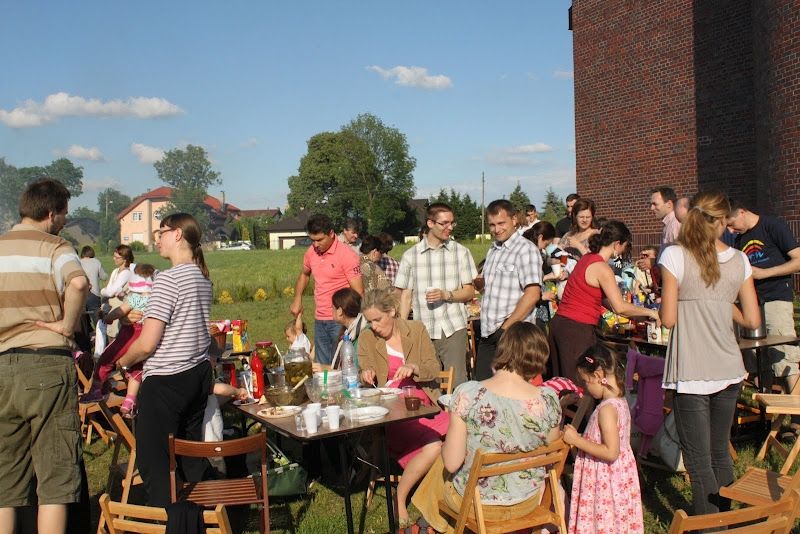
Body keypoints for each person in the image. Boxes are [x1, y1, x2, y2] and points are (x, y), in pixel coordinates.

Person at [659, 191, 760, 515]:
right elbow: (752, 320)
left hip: (691, 369)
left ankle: (709, 526)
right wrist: (720, 303)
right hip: (729, 367)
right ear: (722, 222)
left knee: (699, 461)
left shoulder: (675, 255)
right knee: (719, 454)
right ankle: (724, 520)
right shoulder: (740, 259)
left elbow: (668, 318)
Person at [0, 178, 89, 534]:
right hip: (46, 363)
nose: (64, 222)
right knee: (55, 477)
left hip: (3, 364)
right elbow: (78, 283)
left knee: (6, 483)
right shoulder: (56, 246)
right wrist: (67, 326)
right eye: (64, 214)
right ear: (51, 213)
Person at [412, 322, 562, 533]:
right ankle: (425, 525)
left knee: (446, 458)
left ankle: (426, 525)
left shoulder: (469, 394)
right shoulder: (548, 399)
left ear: (502, 350)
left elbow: (452, 464)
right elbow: (551, 450)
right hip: (526, 501)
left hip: (479, 506)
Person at [117, 213, 215, 506]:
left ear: (178, 234)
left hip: (166, 381)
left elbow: (147, 344)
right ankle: (196, 516)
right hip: (197, 375)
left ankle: (169, 519)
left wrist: (122, 362)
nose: (157, 238)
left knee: (156, 464)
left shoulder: (168, 279)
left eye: (161, 232)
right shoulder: (202, 277)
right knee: (189, 458)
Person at [356, 288, 449, 527]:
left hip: (422, 403)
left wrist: (414, 367)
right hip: (392, 410)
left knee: (459, 432)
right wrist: (365, 374)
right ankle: (400, 497)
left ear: (392, 311)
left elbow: (433, 367)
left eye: (377, 319)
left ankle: (444, 496)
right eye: (369, 321)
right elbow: (363, 374)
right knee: (434, 446)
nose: (374, 326)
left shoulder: (416, 330)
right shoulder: (368, 338)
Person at [549, 221, 659, 382]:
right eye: (624, 247)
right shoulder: (602, 267)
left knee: (561, 384)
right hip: (576, 330)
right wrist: (652, 312)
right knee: (580, 385)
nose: (623, 252)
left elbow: (608, 302)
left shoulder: (587, 258)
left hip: (560, 325)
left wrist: (641, 316)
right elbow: (619, 307)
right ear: (617, 244)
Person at [396, 202, 478, 386]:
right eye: (444, 223)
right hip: (423, 329)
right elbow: (405, 296)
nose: (450, 227)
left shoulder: (460, 252)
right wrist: (402, 328)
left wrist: (446, 295)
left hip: (453, 327)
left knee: (457, 382)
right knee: (428, 382)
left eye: (452, 223)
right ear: (430, 223)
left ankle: (457, 406)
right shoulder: (410, 255)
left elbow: (470, 291)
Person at [563, 344, 643, 533]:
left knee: (602, 524)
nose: (586, 388)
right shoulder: (620, 402)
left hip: (604, 481)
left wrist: (576, 440)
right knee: (614, 524)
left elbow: (611, 451)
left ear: (598, 376)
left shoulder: (606, 410)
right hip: (617, 478)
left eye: (586, 381)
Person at [728, 199, 800, 397]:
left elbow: (798, 260)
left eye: (731, 224)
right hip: (753, 306)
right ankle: (767, 408)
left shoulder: (773, 226)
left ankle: (795, 413)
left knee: (784, 358)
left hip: (776, 299)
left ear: (742, 212)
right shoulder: (739, 240)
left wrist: (764, 273)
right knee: (757, 361)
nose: (731, 230)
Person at [475, 199, 542, 380]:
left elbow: (533, 294)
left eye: (501, 223)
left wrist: (505, 329)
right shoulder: (494, 249)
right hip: (488, 332)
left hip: (512, 335)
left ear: (514, 220)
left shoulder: (525, 249)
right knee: (483, 388)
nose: (496, 229)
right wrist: (480, 286)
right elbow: (493, 291)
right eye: (492, 225)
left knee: (511, 390)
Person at [81, 264, 156, 417]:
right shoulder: (156, 299)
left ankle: (96, 390)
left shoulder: (136, 298)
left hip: (130, 334)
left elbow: (120, 311)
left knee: (105, 359)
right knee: (136, 369)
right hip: (145, 336)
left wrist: (108, 318)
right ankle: (129, 402)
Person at [290, 214, 364, 366]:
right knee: (321, 368)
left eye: (319, 240)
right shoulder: (311, 252)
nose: (315, 244)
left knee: (341, 366)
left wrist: (351, 319)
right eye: (312, 240)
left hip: (340, 320)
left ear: (331, 233)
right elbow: (304, 274)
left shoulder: (347, 255)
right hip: (320, 319)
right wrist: (297, 299)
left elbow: (358, 292)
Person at [522, 222, 563, 326]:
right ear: (540, 238)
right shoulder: (530, 253)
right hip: (532, 311)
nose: (545, 248)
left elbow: (548, 260)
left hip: (537, 304)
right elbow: (525, 283)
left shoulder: (536, 250)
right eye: (546, 244)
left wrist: (554, 261)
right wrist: (542, 296)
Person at [101, 244, 135, 339]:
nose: (114, 259)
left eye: (117, 257)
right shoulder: (115, 271)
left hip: (120, 309)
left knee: (117, 336)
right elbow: (109, 290)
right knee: (110, 335)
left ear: (125, 258)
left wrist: (102, 291)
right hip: (112, 308)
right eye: (114, 256)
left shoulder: (126, 273)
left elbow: (110, 292)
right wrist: (106, 291)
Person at [79, 245, 107, 328]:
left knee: (83, 320)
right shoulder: (96, 262)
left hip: (81, 293)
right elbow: (104, 277)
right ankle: (100, 334)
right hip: (94, 294)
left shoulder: (78, 262)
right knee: (97, 319)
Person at [650, 186, 680, 256]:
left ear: (669, 204)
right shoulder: (670, 224)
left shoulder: (675, 225)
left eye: (655, 204)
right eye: (651, 204)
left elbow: (677, 257)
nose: (651, 208)